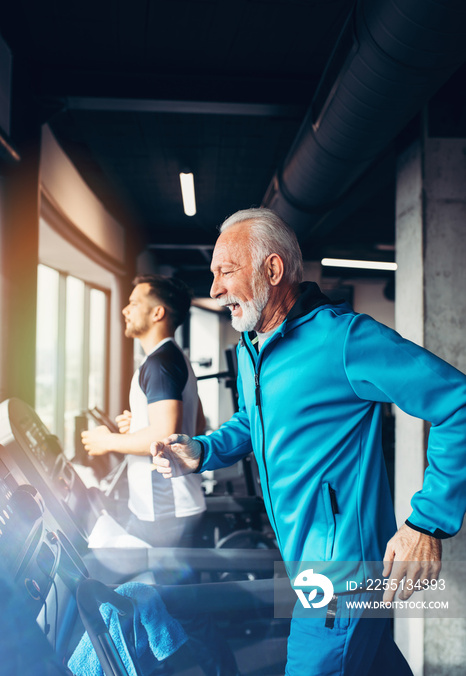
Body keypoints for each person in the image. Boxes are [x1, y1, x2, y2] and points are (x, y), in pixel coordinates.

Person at [151, 208, 466, 676]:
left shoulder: (345, 340)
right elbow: (252, 421)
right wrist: (204, 451)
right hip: (308, 570)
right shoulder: (251, 348)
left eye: (226, 272)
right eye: (213, 274)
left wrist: (427, 524)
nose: (215, 288)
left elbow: (456, 402)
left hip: (340, 581)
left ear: (272, 270)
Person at [82, 274, 206, 547]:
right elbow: (196, 424)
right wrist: (140, 425)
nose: (125, 310)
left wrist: (107, 442)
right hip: (173, 505)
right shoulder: (175, 356)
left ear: (157, 313)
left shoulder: (159, 364)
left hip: (165, 506)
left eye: (134, 303)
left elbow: (165, 434)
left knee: (159, 589)